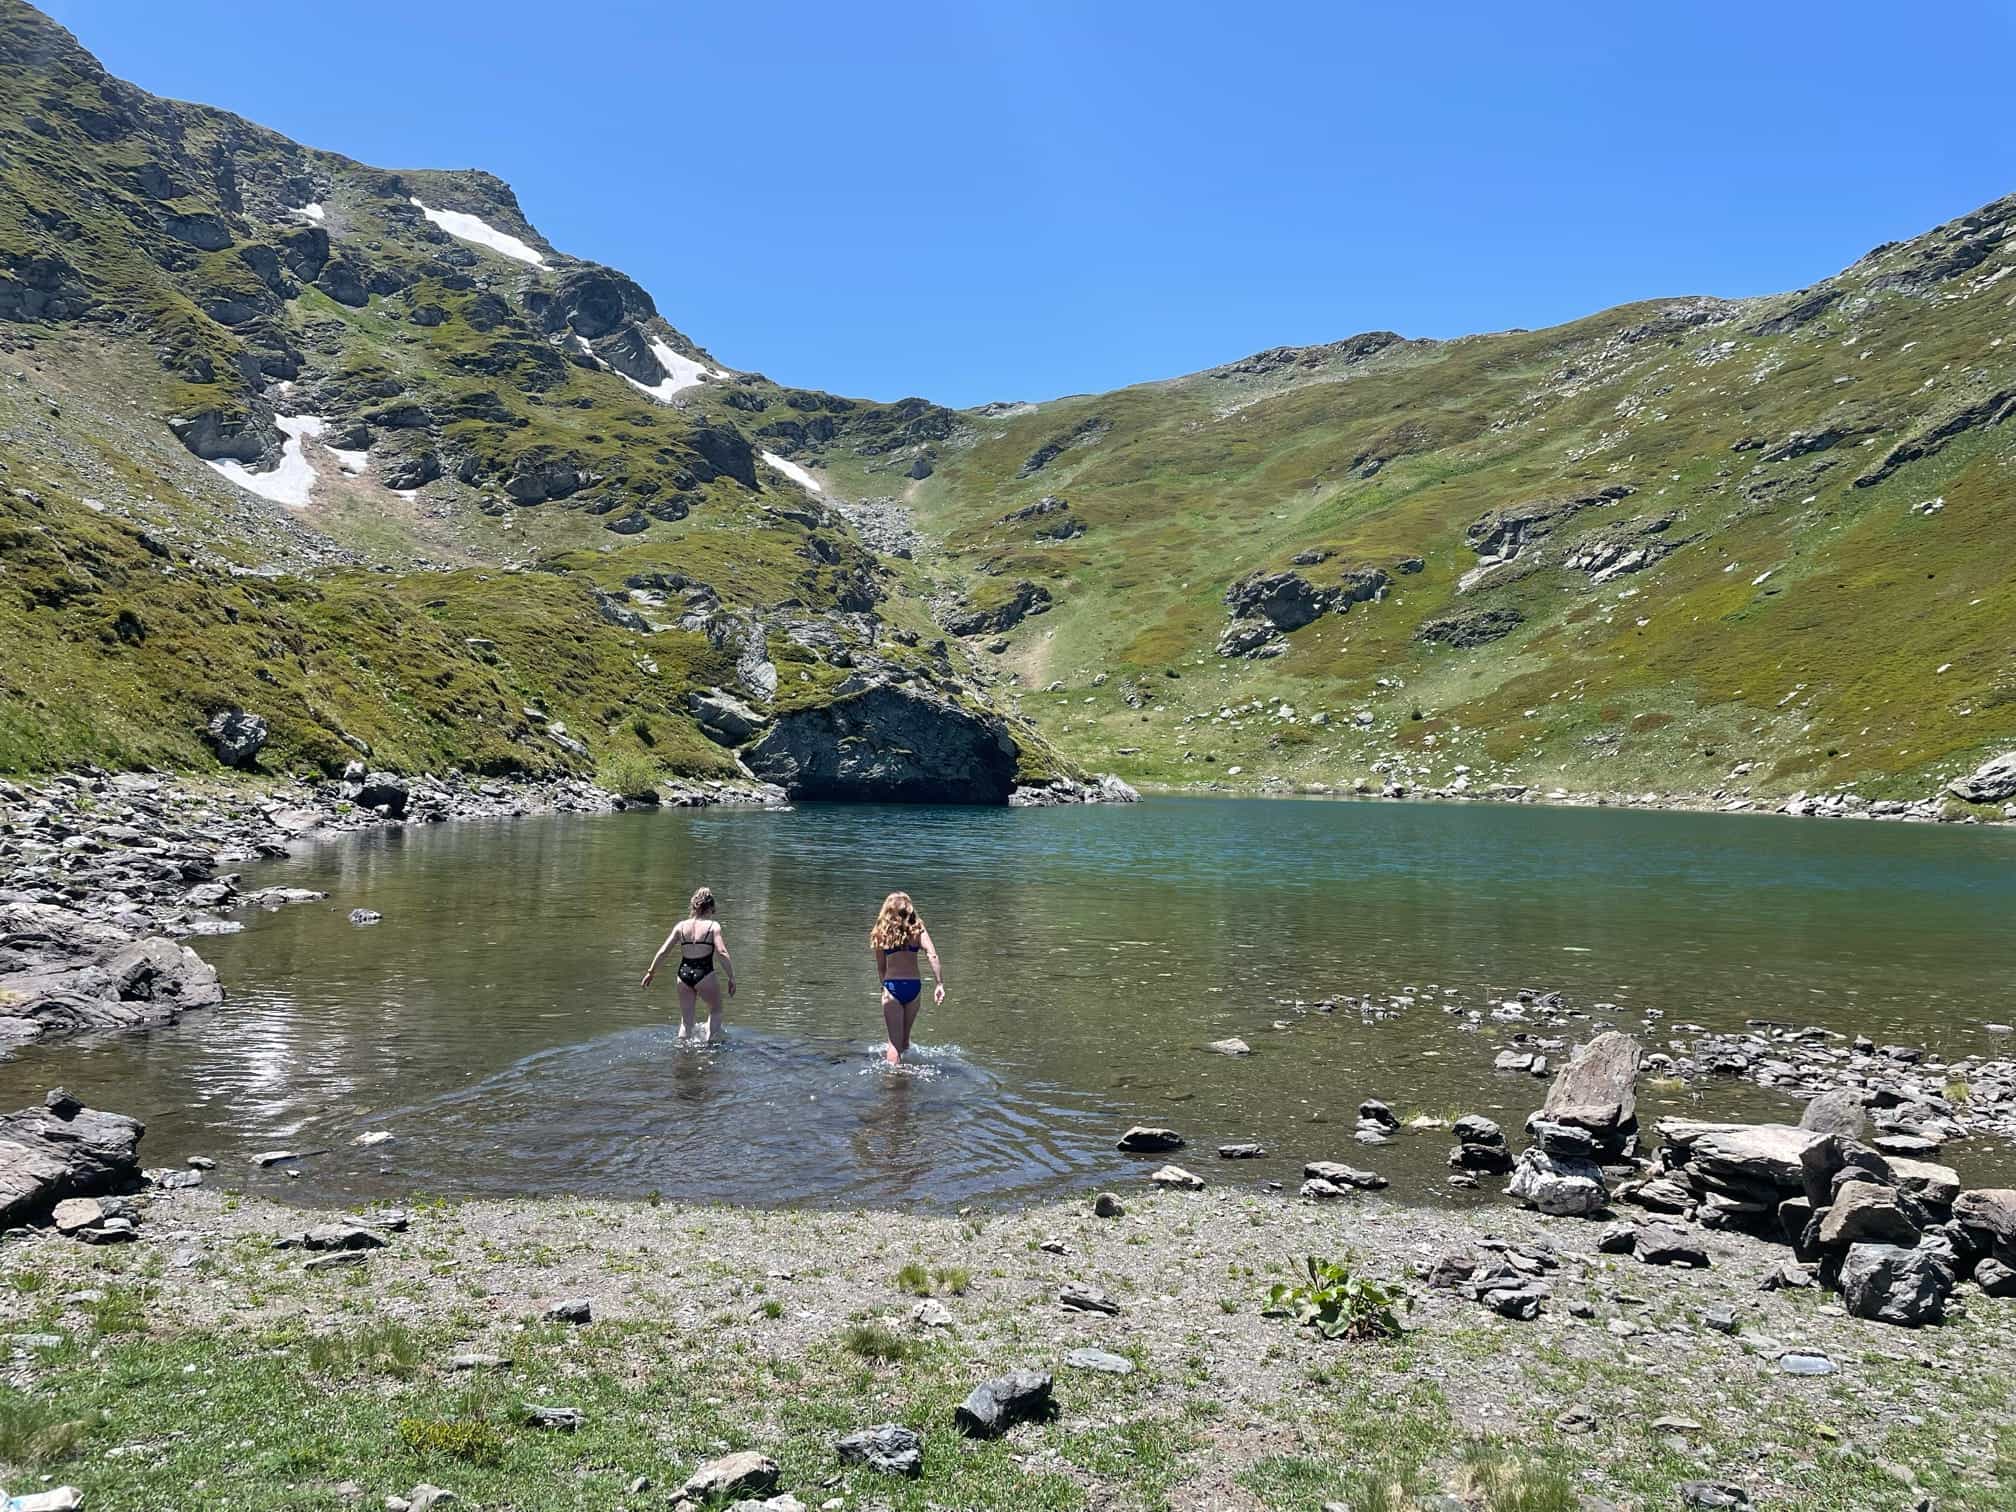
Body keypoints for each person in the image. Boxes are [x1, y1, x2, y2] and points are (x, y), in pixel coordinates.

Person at [641, 886, 736, 1043]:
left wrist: (651, 972)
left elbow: (664, 951)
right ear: (711, 907)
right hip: (704, 973)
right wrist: (731, 977)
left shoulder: (681, 926)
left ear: (694, 906)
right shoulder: (713, 927)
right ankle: (710, 1048)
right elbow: (722, 952)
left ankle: (682, 1049)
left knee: (686, 1021)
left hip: (683, 975)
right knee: (716, 1011)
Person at [869, 890, 944, 1064]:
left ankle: (894, 1082)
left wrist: (885, 988)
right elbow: (932, 955)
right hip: (913, 987)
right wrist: (939, 984)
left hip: (892, 988)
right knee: (904, 1040)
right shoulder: (918, 929)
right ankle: (907, 1077)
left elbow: (881, 968)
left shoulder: (881, 933)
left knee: (893, 1044)